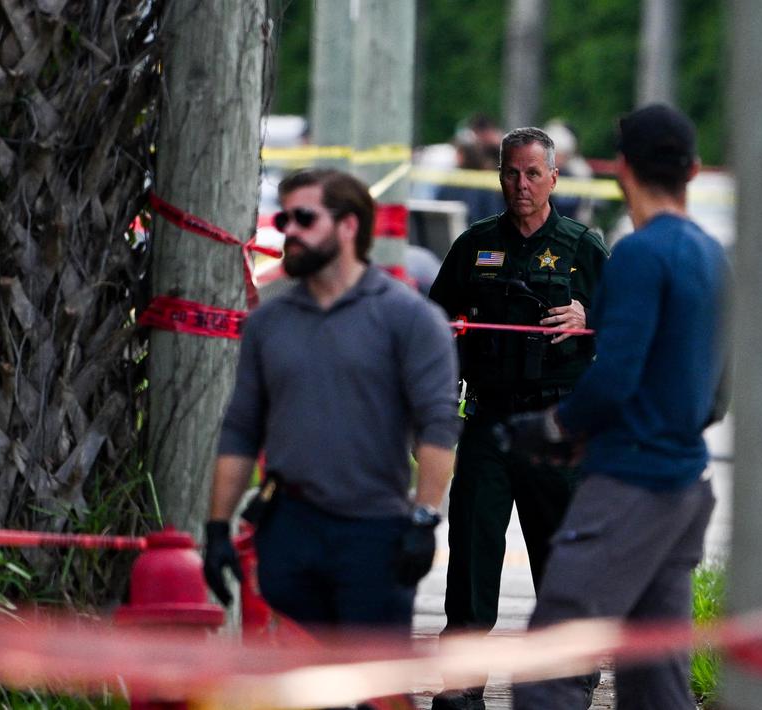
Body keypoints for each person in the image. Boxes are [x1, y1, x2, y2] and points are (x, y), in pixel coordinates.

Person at [505, 104, 729, 710]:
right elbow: (717, 395)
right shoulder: (712, 256)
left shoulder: (638, 254)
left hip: (629, 485)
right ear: (696, 169)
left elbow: (614, 379)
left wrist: (552, 428)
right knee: (656, 681)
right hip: (686, 486)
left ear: (621, 169)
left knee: (548, 666)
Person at [202, 169, 461, 641]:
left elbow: (438, 426)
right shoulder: (270, 323)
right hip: (289, 535)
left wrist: (425, 519)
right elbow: (241, 429)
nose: (289, 232)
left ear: (348, 226)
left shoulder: (410, 318)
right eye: (285, 219)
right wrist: (217, 528)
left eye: (305, 219)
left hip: (374, 533)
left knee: (369, 684)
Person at [427, 127, 608, 710]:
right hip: (487, 420)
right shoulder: (474, 244)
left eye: (532, 173)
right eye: (510, 173)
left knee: (559, 554)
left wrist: (588, 315)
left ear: (554, 177)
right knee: (473, 554)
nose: (520, 185)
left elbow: (626, 329)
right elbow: (431, 329)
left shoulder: (583, 248)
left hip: (557, 425)